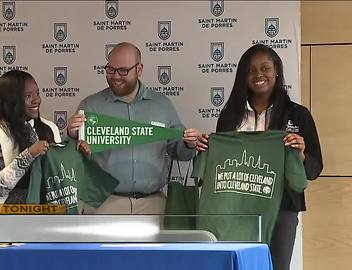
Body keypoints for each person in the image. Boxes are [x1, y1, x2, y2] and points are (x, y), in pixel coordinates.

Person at [196, 44, 323, 270]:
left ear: (276, 72)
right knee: (238, 265)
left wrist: (301, 155)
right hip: (236, 207)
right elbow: (220, 167)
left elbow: (315, 169)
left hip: (283, 207)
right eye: (251, 70)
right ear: (243, 76)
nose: (258, 75)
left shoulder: (298, 114)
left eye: (265, 68)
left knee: (278, 266)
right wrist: (208, 147)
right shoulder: (229, 116)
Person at [68, 42, 200, 214]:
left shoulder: (162, 105)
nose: (115, 76)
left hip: (153, 205)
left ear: (139, 69)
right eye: (110, 69)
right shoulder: (91, 105)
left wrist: (189, 144)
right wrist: (71, 136)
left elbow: (180, 152)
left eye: (123, 70)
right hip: (104, 204)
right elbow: (70, 159)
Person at [0, 70, 61, 204]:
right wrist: (29, 155)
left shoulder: (49, 128)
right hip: (7, 219)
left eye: (37, 94)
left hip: (45, 217)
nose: (37, 100)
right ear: (11, 100)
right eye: (28, 96)